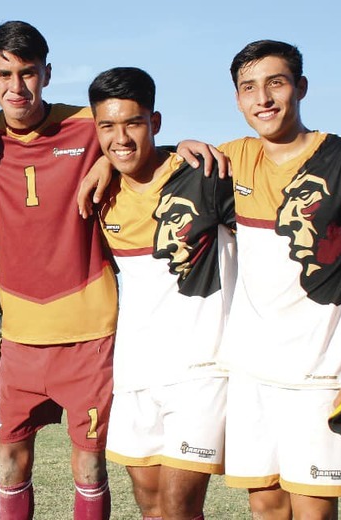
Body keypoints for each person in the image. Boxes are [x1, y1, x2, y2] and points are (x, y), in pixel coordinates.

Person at [0, 21, 225, 520]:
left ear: (47, 73)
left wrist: (123, 156)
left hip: (90, 333)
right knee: (9, 462)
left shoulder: (88, 126)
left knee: (89, 465)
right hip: (19, 335)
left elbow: (132, 143)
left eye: (28, 73)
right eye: (4, 75)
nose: (17, 87)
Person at [217, 40, 341, 519]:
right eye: (249, 88)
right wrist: (108, 160)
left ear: (301, 87)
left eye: (275, 83)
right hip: (252, 374)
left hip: (323, 376)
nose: (263, 99)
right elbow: (149, 163)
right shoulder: (231, 159)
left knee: (313, 512)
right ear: (237, 99)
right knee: (265, 507)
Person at [88, 67, 234, 520]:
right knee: (150, 504)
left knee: (178, 506)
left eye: (133, 123)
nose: (121, 138)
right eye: (107, 126)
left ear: (155, 122)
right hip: (135, 371)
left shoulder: (203, 175)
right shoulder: (102, 192)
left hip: (200, 370)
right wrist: (105, 162)